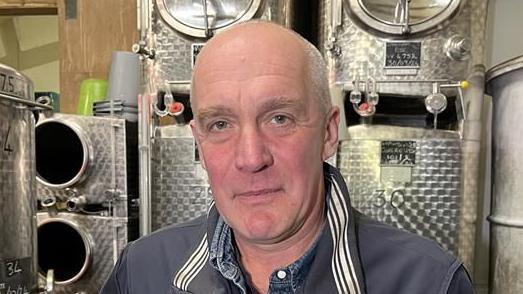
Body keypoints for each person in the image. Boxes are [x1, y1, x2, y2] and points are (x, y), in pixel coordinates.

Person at [101, 21, 474, 294]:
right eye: (220, 124)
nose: (251, 158)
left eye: (280, 119)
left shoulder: (429, 282)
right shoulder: (140, 272)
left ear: (328, 133)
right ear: (198, 143)